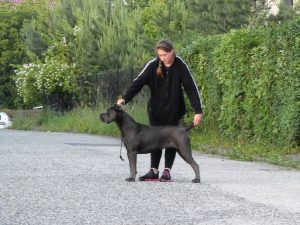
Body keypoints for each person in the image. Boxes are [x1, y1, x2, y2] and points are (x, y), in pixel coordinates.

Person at [117, 39, 203, 182]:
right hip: (156, 110)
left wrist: (198, 111)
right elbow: (137, 83)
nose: (162, 58)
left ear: (172, 52)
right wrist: (124, 98)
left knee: (171, 139)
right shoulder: (152, 65)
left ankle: (167, 171)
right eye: (159, 55)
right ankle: (154, 170)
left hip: (175, 110)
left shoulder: (180, 65)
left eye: (164, 55)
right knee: (154, 138)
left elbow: (191, 89)